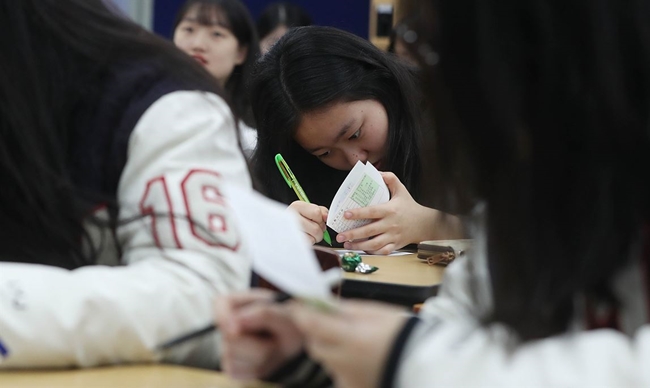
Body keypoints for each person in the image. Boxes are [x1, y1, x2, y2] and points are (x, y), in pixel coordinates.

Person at [217, 0, 650, 386]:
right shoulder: (542, 168)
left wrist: (403, 356)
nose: (352, 159)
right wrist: (318, 350)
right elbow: (461, 321)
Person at [0, 0, 253, 368]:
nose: (201, 43)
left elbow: (202, 299)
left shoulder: (164, 103)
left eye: (216, 34)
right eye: (190, 30)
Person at [251, 26, 465, 254]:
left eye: (354, 134)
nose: (355, 160)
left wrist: (431, 225)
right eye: (324, 153)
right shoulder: (298, 168)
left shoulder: (454, 118)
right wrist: (280, 232)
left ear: (381, 85)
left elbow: (504, 231)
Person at [173, 0, 260, 156]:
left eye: (216, 34)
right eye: (189, 29)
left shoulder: (251, 143)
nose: (198, 44)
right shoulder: (143, 107)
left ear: (241, 53)